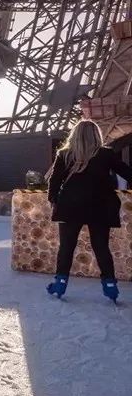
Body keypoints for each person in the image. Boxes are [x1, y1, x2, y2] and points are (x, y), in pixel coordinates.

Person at [45, 120, 132, 302]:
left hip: (70, 207)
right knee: (101, 247)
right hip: (100, 206)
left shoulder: (65, 154)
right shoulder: (106, 154)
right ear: (96, 135)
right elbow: (126, 172)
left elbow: (54, 181)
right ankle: (110, 286)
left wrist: (53, 200)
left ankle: (60, 283)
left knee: (66, 247)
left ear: (75, 135)